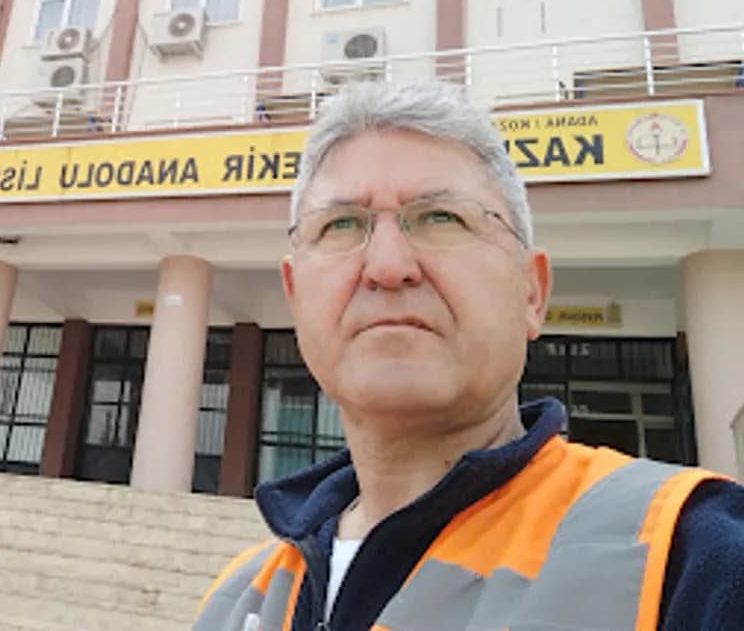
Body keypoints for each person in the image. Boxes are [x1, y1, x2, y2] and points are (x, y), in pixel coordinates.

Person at [193, 81, 744, 631]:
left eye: (440, 218)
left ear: (532, 291)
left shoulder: (692, 557)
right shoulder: (240, 599)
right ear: (294, 297)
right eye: (342, 225)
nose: (387, 266)